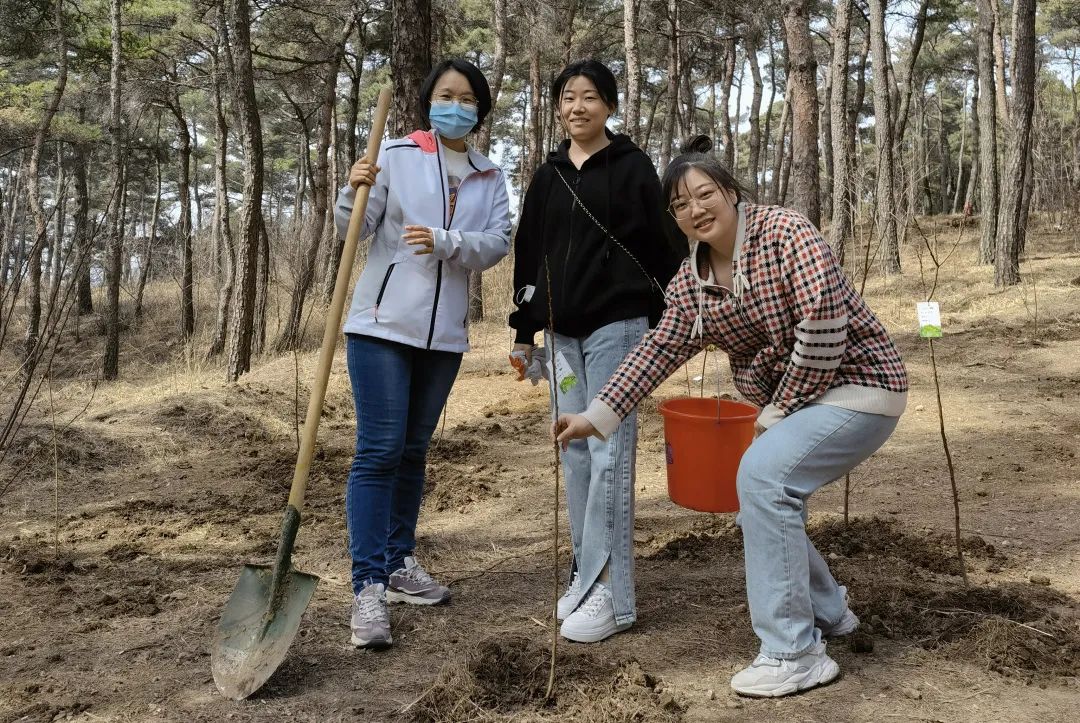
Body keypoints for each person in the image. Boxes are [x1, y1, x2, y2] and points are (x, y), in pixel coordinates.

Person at [554, 135, 908, 696]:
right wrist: (595, 415)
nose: (695, 209)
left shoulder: (783, 232)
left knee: (762, 478)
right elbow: (657, 349)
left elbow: (822, 321)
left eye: (705, 193)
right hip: (795, 402)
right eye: (680, 204)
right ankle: (830, 612)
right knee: (762, 497)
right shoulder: (694, 283)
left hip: (859, 387)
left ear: (732, 192)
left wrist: (780, 409)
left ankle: (794, 652)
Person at [334, 59, 511, 648]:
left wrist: (447, 241)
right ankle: (366, 588)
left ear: (479, 110)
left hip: (444, 338)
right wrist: (352, 188)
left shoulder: (490, 175)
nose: (455, 105)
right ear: (428, 101)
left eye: (466, 98)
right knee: (379, 450)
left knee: (413, 450)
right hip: (382, 326)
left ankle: (398, 560)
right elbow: (353, 230)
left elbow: (495, 246)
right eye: (444, 95)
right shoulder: (396, 155)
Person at [508, 59, 684, 644]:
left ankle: (613, 594)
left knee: (609, 449)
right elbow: (529, 251)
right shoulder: (547, 175)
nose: (576, 106)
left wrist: (665, 323)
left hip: (619, 328)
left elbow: (664, 248)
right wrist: (523, 331)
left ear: (609, 105)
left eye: (589, 97)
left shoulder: (633, 168)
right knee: (574, 450)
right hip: (561, 336)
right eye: (567, 97)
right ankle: (585, 576)